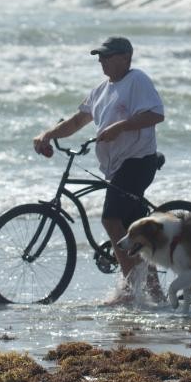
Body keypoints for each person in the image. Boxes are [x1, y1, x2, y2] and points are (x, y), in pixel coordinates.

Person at [33, 36, 165, 303]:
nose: (101, 61)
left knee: (111, 219)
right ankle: (156, 294)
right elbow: (77, 120)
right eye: (99, 57)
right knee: (136, 231)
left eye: (106, 56)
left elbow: (155, 115)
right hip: (115, 167)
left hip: (138, 161)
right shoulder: (100, 90)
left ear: (125, 58)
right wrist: (47, 134)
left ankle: (128, 291)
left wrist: (120, 127)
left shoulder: (137, 80)